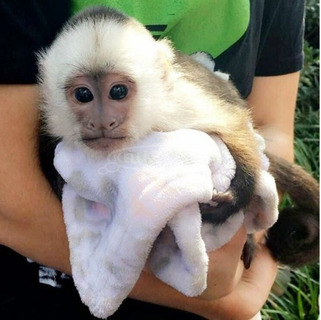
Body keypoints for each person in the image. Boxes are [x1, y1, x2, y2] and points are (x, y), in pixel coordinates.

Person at [0, 0, 304, 319]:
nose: (102, 122)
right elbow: (10, 203)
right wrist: (222, 301)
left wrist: (248, 228)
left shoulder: (175, 98)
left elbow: (267, 131)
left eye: (119, 93)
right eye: (83, 96)